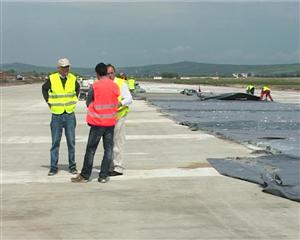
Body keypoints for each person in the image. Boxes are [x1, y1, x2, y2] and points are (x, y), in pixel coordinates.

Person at [71, 63, 120, 183]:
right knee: (108, 150)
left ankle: (85, 175)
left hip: (97, 123)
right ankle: (103, 176)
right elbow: (116, 102)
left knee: (91, 149)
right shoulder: (114, 86)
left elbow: (88, 102)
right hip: (110, 123)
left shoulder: (95, 86)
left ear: (97, 73)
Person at [42, 58, 80, 176]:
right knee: (55, 142)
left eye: (67, 67)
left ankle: (72, 166)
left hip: (69, 114)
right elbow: (44, 89)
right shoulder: (52, 78)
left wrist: (73, 101)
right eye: (63, 67)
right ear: (58, 68)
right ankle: (53, 167)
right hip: (57, 115)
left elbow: (77, 89)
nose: (66, 69)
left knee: (71, 142)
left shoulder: (73, 78)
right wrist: (49, 102)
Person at [106, 64, 133, 176]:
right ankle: (110, 164)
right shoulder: (105, 84)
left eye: (111, 73)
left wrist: (120, 103)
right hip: (108, 117)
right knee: (109, 142)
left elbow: (129, 98)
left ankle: (118, 166)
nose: (110, 75)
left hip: (119, 115)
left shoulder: (121, 83)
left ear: (114, 73)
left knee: (118, 141)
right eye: (107, 73)